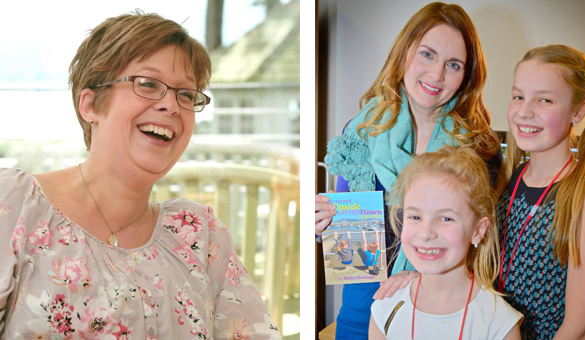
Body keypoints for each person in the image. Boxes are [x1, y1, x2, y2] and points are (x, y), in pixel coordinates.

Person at [0, 11, 279, 339]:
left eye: (186, 94)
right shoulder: (15, 204)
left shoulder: (198, 235)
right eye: (148, 84)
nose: (172, 106)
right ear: (89, 104)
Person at [315, 2, 502, 338]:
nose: (437, 74)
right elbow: (350, 244)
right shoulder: (361, 131)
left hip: (438, 315)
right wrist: (324, 222)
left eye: (454, 64)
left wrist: (421, 276)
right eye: (427, 55)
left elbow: (481, 245)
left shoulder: (479, 148)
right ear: (404, 54)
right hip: (362, 310)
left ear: (467, 76)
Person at [496, 44, 585, 339]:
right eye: (518, 96)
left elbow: (580, 328)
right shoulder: (505, 181)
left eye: (544, 100)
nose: (524, 111)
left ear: (579, 110)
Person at [370, 145, 522, 339]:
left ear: (478, 230)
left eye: (446, 218)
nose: (425, 233)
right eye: (415, 217)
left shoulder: (499, 323)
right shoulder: (385, 308)